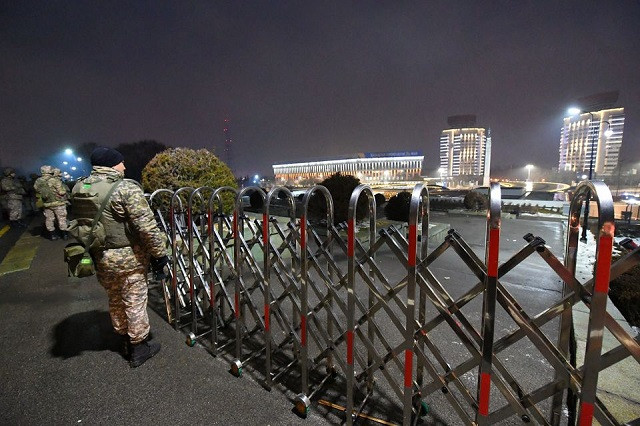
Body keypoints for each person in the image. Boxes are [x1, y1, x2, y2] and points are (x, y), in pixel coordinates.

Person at [71, 147, 168, 368]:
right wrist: (159, 254)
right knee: (134, 301)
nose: (124, 166)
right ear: (112, 165)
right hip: (129, 257)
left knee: (114, 298)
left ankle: (123, 337)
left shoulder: (79, 186)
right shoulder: (124, 188)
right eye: (121, 163)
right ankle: (139, 346)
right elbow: (147, 228)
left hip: (99, 255)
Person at [34, 165, 69, 240]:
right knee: (61, 219)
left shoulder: (38, 181)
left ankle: (53, 235)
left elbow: (37, 190)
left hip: (46, 204)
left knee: (49, 219)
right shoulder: (55, 180)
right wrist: (64, 191)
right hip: (58, 203)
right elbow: (61, 192)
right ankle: (64, 235)